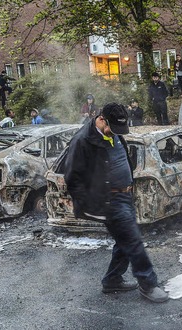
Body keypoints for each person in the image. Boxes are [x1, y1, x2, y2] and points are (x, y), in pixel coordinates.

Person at [64, 103, 168, 303]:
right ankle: (148, 284)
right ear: (101, 119)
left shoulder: (114, 134)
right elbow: (73, 179)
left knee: (124, 241)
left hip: (125, 195)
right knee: (133, 240)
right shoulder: (82, 141)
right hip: (108, 200)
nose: (116, 133)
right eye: (113, 128)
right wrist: (91, 205)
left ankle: (112, 280)